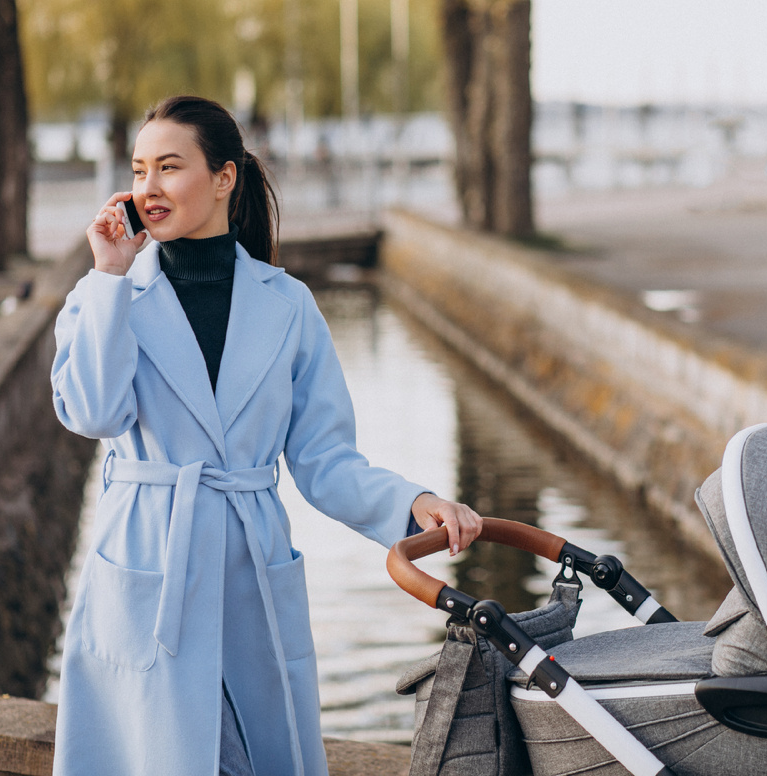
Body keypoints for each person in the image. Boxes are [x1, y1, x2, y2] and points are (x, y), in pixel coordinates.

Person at [50, 95, 482, 776]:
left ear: (224, 177)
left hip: (251, 564)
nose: (148, 188)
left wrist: (413, 503)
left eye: (169, 166)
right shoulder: (105, 297)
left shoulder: (289, 305)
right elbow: (93, 414)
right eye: (139, 171)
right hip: (146, 558)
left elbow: (323, 459)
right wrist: (108, 274)